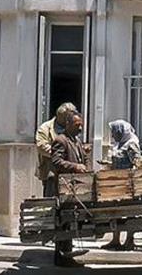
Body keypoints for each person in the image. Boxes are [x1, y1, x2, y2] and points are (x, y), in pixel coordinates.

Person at [50, 112, 88, 267]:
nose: (80, 128)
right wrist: (75, 166)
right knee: (63, 222)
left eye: (81, 125)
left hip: (75, 187)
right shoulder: (60, 140)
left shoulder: (76, 141)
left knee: (70, 221)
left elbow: (81, 159)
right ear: (68, 124)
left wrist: (84, 157)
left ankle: (66, 255)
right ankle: (60, 257)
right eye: (77, 125)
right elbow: (56, 161)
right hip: (64, 186)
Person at [101, 120, 140, 251]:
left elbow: (137, 163)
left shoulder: (131, 143)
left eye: (114, 132)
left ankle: (129, 240)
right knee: (115, 212)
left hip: (127, 184)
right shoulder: (120, 143)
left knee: (130, 212)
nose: (112, 135)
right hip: (116, 183)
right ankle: (115, 239)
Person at [35, 102, 78, 197]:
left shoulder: (70, 128)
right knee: (51, 199)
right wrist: (60, 153)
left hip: (69, 171)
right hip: (51, 171)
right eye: (67, 117)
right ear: (60, 116)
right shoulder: (45, 128)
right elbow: (41, 146)